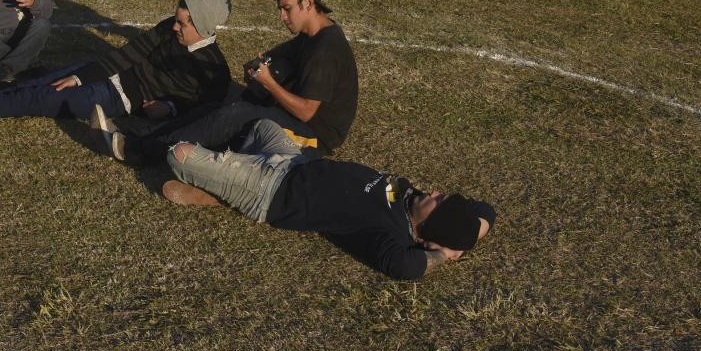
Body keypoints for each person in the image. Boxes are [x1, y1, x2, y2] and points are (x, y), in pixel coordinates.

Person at [159, 119, 496, 280]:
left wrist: (439, 255)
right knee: (262, 126)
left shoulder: (388, 232)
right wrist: (469, 235)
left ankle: (219, 188)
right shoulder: (413, 201)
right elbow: (487, 212)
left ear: (430, 225)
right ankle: (221, 182)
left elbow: (404, 267)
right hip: (296, 162)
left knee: (180, 155)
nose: (434, 193)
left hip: (270, 191)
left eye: (439, 202)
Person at [95, 0, 358, 162]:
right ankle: (134, 132)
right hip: (291, 117)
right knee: (220, 108)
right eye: (281, 9)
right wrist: (260, 67)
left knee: (234, 115)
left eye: (287, 9)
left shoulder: (325, 50)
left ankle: (137, 150)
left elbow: (307, 112)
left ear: (308, 3)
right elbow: (279, 54)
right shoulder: (311, 35)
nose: (282, 17)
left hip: (314, 136)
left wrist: (269, 84)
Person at [0, 0, 232, 122]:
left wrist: (169, 107)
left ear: (202, 26)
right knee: (35, 82)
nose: (174, 26)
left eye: (182, 23)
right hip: (104, 74)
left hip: (119, 97)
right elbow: (128, 53)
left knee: (36, 98)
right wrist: (82, 75)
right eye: (175, 18)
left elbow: (202, 108)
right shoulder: (167, 29)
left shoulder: (214, 69)